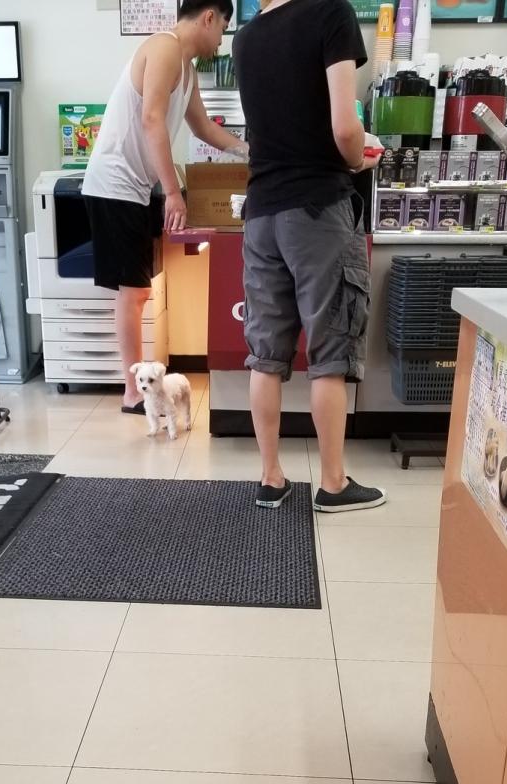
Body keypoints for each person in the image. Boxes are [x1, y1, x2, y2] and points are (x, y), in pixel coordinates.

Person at [233, 0, 387, 513]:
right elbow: (345, 129)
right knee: (329, 354)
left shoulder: (246, 37)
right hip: (318, 207)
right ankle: (334, 484)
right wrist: (359, 157)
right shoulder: (330, 13)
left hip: (261, 212)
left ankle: (270, 478)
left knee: (266, 353)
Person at [83, 0, 246, 414]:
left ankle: (136, 386)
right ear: (209, 17)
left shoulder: (186, 68)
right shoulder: (165, 48)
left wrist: (249, 151)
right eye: (223, 27)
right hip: (115, 184)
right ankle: (132, 392)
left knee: (138, 290)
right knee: (135, 291)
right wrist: (173, 193)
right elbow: (152, 119)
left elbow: (203, 128)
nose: (221, 39)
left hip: (135, 188)